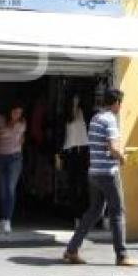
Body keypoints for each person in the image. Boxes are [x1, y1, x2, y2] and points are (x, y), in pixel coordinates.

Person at [63, 89, 138, 267]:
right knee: (118, 213)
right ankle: (122, 255)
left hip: (95, 172)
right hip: (108, 173)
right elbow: (113, 148)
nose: (121, 107)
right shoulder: (110, 119)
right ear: (116, 103)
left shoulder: (96, 118)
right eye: (121, 104)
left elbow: (103, 146)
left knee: (94, 212)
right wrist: (123, 157)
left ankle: (72, 250)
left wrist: (117, 152)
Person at [0, 104, 27, 234]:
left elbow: (22, 138)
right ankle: (2, 218)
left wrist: (20, 140)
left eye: (20, 113)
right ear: (9, 111)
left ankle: (7, 219)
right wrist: (0, 133)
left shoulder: (22, 122)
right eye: (15, 112)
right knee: (2, 188)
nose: (17, 115)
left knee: (10, 188)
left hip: (15, 157)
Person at [61, 94, 90, 224]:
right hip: (71, 153)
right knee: (72, 184)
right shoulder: (66, 116)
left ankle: (83, 213)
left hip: (83, 152)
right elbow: (63, 135)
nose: (76, 103)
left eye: (77, 100)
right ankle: (75, 215)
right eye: (73, 100)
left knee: (84, 184)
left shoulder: (85, 113)